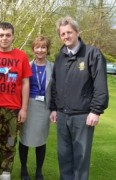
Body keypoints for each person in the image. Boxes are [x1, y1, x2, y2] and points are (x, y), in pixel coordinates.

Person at [50, 16, 109, 180]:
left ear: (77, 32)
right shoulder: (59, 56)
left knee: (81, 159)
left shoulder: (92, 54)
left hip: (83, 116)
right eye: (63, 34)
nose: (66, 36)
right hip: (62, 115)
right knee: (64, 157)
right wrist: (53, 108)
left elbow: (100, 85)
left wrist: (96, 111)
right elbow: (55, 85)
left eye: (69, 32)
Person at [0, 22, 32, 180]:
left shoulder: (22, 56)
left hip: (13, 109)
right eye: (1, 35)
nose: (4, 38)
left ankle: (6, 171)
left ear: (13, 36)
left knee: (10, 142)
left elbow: (25, 83)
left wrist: (24, 108)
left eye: (8, 35)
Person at [18, 36, 53, 180]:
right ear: (33, 49)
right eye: (37, 47)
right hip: (27, 106)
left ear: (47, 49)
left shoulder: (53, 67)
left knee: (41, 140)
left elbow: (56, 90)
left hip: (44, 108)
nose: (40, 50)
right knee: (24, 139)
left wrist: (54, 109)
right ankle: (24, 169)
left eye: (43, 47)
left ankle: (39, 170)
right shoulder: (27, 65)